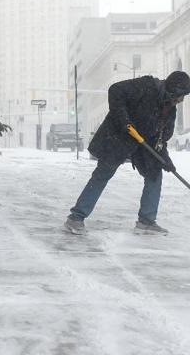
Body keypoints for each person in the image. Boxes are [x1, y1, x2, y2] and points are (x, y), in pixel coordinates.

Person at [65, 71, 190, 235]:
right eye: (180, 95)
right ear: (173, 89)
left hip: (142, 143)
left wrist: (166, 160)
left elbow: (161, 139)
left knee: (154, 174)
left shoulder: (170, 110)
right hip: (120, 137)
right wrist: (123, 120)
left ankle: (146, 221)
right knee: (103, 173)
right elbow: (115, 90)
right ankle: (76, 217)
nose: (181, 100)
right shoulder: (146, 86)